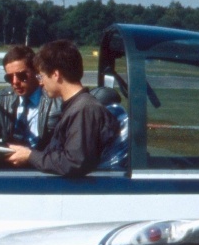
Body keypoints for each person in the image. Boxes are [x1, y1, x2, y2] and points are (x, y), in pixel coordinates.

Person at [8, 40, 119, 176]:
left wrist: (30, 156)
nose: (40, 82)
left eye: (41, 76)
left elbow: (74, 162)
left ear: (56, 74)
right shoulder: (76, 107)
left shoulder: (84, 109)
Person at [0, 45, 61, 154]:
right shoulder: (2, 99)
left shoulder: (56, 99)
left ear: (36, 72)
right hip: (10, 166)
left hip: (43, 165)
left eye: (22, 76)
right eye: (9, 78)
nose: (15, 82)